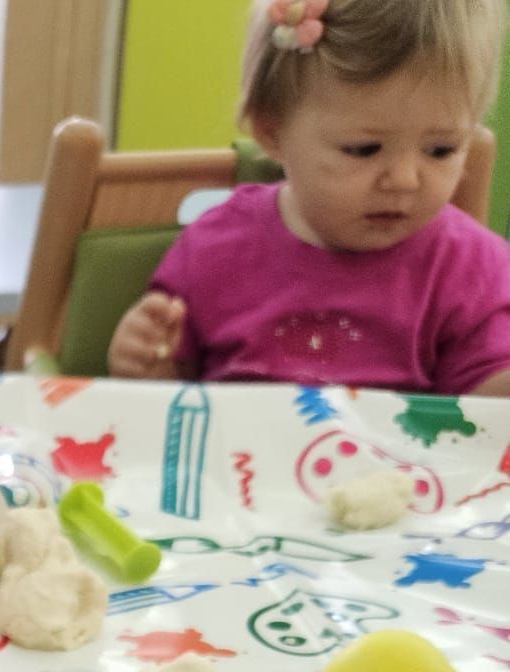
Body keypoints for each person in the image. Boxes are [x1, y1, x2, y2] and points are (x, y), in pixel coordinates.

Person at [109, 0, 510, 394]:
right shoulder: (215, 248)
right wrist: (145, 364)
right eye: (364, 148)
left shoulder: (472, 269)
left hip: (397, 462)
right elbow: (168, 397)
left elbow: (484, 414)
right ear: (272, 131)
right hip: (240, 457)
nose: (405, 181)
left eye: (441, 150)